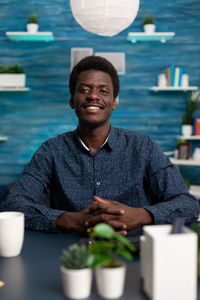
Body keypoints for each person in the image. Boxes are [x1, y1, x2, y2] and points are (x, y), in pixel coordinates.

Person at [1, 56, 199, 235]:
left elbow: (187, 205)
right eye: (84, 90)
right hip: (67, 254)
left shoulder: (143, 147)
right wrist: (67, 219)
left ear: (113, 102)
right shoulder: (51, 151)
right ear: (72, 101)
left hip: (135, 252)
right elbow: (13, 205)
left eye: (103, 91)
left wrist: (140, 215)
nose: (93, 96)